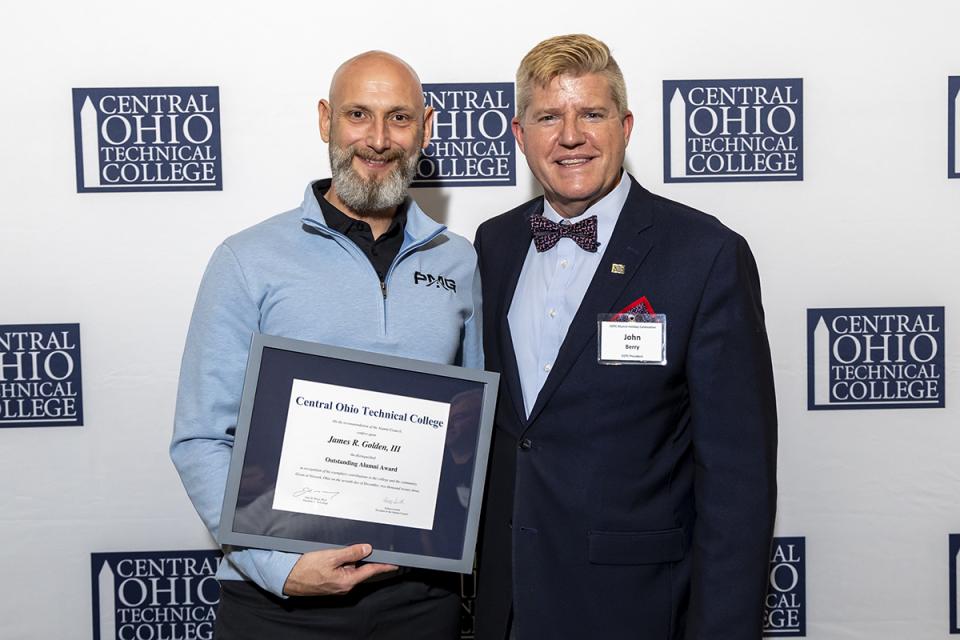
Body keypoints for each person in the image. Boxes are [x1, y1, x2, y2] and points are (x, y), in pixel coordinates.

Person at [473, 34, 777, 640]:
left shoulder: (705, 255)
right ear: (519, 134)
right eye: (548, 116)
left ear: (626, 125)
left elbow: (738, 481)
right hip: (510, 605)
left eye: (591, 113)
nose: (571, 135)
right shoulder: (492, 245)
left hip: (636, 609)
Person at [170, 50, 481, 639]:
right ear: (325, 121)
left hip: (419, 594)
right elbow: (201, 436)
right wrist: (279, 568)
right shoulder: (247, 259)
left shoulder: (461, 262)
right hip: (279, 602)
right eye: (358, 114)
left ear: (428, 127)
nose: (378, 139)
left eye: (399, 118)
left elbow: (475, 430)